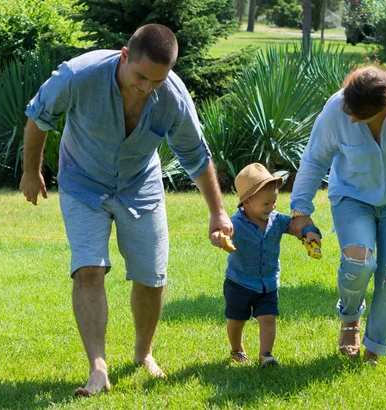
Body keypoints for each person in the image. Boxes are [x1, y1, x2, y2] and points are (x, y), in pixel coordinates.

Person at [20, 24, 233, 395]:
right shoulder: (78, 76)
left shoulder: (172, 95)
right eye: (140, 76)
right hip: (83, 180)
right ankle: (98, 367)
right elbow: (39, 118)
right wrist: (30, 171)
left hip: (140, 183)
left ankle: (144, 354)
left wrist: (218, 212)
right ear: (124, 55)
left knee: (152, 276)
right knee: (89, 269)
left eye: (157, 80)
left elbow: (196, 157)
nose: (147, 87)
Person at [289, 66, 386, 365]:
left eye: (361, 116)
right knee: (359, 262)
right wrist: (300, 210)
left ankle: (376, 347)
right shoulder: (337, 109)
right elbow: (315, 159)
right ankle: (350, 319)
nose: (353, 119)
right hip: (352, 198)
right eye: (350, 112)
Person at [211, 163, 322, 367]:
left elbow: (296, 225)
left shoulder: (276, 220)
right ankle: (237, 350)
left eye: (274, 202)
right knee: (237, 319)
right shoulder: (236, 223)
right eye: (266, 203)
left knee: (268, 318)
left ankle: (266, 355)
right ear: (248, 201)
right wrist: (219, 237)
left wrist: (310, 232)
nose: (272, 207)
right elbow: (223, 233)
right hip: (239, 283)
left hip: (268, 284)